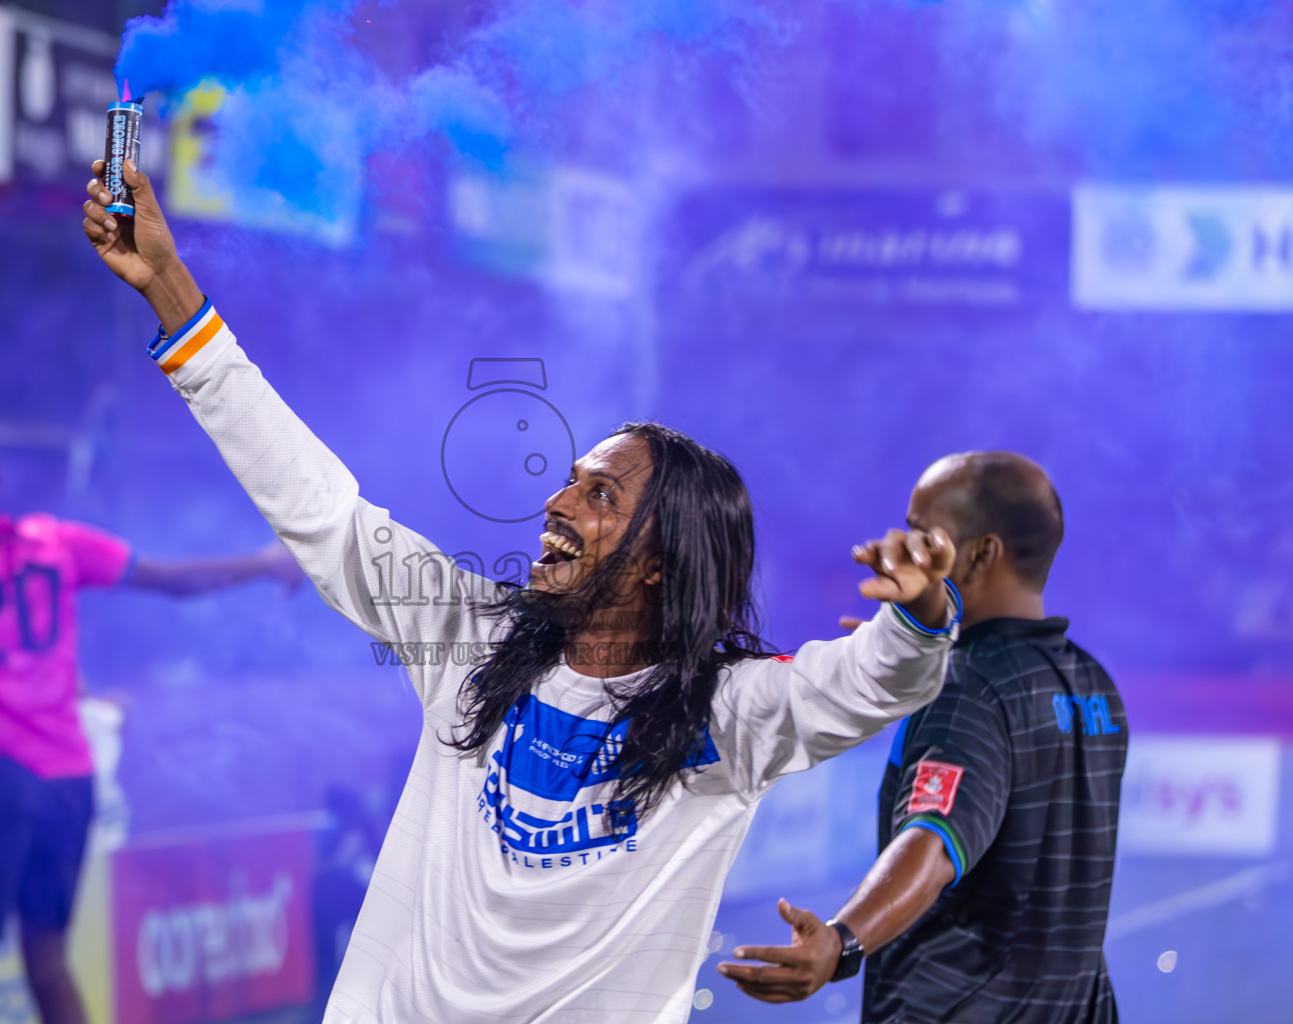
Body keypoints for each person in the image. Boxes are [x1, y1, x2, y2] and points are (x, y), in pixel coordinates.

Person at [83, 160, 961, 1023]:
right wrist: (169, 287)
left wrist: (919, 614)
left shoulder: (728, 714)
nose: (556, 501)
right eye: (571, 479)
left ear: (661, 562)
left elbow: (866, 683)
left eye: (598, 493)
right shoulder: (471, 638)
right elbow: (320, 509)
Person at [0, 407, 304, 1024]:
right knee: (48, 962)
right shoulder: (59, 543)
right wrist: (264, 562)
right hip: (67, 781)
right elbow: (175, 582)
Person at [719, 453, 1127, 1023]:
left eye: (923, 532)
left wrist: (842, 941)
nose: (907, 546)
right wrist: (916, 661)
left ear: (982, 553)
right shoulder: (1093, 683)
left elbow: (933, 843)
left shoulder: (969, 685)